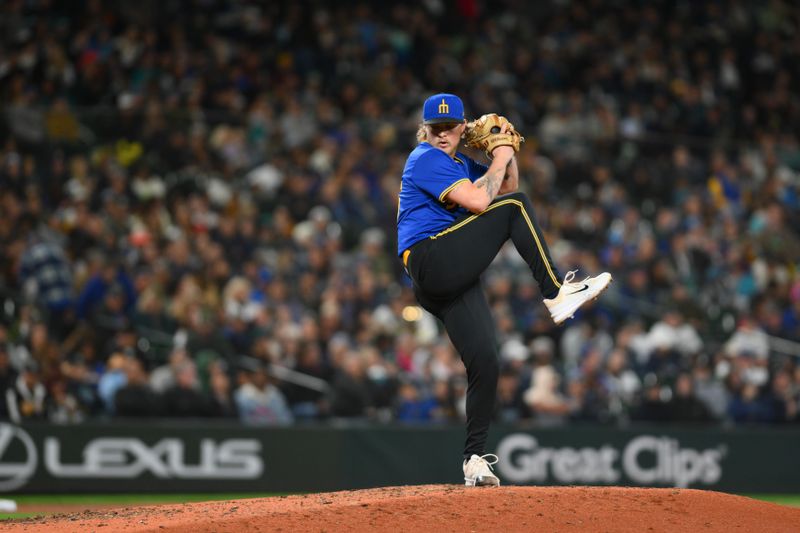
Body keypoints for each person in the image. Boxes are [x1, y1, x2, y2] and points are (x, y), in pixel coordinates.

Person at [396, 93, 612, 486]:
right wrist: (499, 156)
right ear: (425, 129)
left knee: (486, 363)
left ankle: (474, 459)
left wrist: (506, 151)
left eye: (450, 127)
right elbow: (483, 201)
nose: (443, 134)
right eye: (436, 128)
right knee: (516, 208)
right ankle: (556, 294)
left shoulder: (459, 163)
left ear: (463, 127)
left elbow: (506, 184)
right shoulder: (424, 158)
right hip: (431, 258)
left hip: (446, 279)